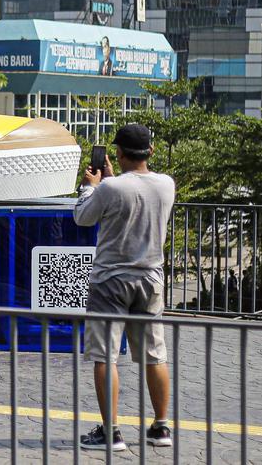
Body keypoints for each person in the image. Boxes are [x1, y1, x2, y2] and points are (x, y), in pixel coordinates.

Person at [73, 123, 175, 451]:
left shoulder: (110, 188)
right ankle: (161, 428)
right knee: (154, 355)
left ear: (117, 152)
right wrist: (114, 179)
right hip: (150, 279)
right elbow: (136, 189)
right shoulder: (166, 184)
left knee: (106, 356)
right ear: (151, 151)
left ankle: (111, 432)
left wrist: (91, 187)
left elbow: (83, 218)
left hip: (110, 281)